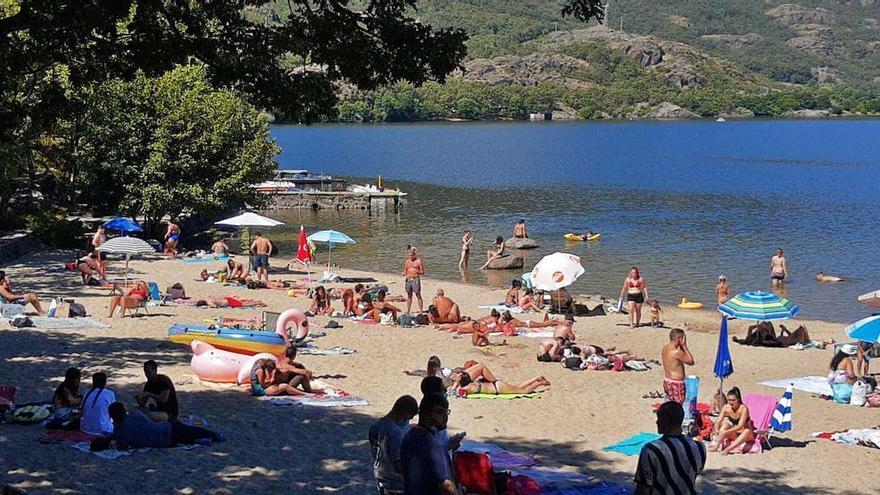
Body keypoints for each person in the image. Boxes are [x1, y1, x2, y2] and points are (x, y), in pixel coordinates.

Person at [634, 401, 706, 495]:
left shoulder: (651, 451)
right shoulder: (699, 447)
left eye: (659, 418)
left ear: (666, 422)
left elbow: (643, 488)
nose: (657, 422)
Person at [90, 402, 223, 452]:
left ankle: (198, 440)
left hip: (166, 443)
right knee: (190, 430)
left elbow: (121, 442)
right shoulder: (134, 415)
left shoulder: (119, 435)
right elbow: (149, 422)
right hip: (167, 430)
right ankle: (214, 435)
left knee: (185, 437)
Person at [400, 394, 456, 495]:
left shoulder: (409, 436)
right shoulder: (432, 444)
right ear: (426, 414)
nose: (445, 417)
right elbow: (446, 485)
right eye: (440, 412)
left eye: (446, 412)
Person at [369, 395, 420, 495]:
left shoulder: (376, 426)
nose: (407, 421)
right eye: (408, 418)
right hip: (395, 482)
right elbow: (398, 464)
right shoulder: (394, 432)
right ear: (405, 413)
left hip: (381, 476)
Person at [709, 387, 755, 455]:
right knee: (725, 425)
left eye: (733, 400)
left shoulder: (743, 409)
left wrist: (726, 432)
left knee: (747, 431)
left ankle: (727, 449)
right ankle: (716, 446)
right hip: (734, 433)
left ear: (738, 399)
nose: (730, 402)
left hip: (746, 435)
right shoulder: (726, 407)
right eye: (729, 400)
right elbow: (718, 421)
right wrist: (716, 429)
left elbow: (740, 426)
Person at [661, 329, 694, 405]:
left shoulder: (665, 348)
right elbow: (691, 361)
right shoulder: (676, 352)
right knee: (677, 406)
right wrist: (684, 346)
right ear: (680, 339)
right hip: (676, 382)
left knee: (669, 405)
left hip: (667, 380)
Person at [80, 372, 116, 436]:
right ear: (105, 382)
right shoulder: (109, 393)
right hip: (103, 430)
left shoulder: (87, 393)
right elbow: (113, 412)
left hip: (85, 428)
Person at [455, 375, 549, 396]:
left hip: (498, 389)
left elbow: (460, 393)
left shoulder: (467, 387)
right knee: (518, 387)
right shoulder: (472, 383)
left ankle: (539, 382)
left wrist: (457, 386)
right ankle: (535, 379)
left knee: (523, 391)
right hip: (496, 384)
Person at [403, 248, 425, 314]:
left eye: (411, 255)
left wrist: (416, 272)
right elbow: (405, 270)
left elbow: (422, 271)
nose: (410, 257)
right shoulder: (407, 261)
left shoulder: (418, 261)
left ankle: (421, 310)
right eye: (409, 255)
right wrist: (404, 273)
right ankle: (408, 310)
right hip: (408, 279)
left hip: (415, 279)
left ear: (414, 255)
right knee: (409, 295)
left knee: (418, 295)